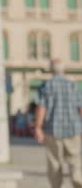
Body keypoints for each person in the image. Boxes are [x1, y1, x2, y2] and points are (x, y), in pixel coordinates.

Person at [34, 58, 82, 188]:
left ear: (51, 69)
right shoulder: (73, 84)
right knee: (75, 161)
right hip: (74, 129)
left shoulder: (46, 86)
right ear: (64, 69)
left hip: (52, 130)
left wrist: (38, 127)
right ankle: (78, 183)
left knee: (54, 163)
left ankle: (56, 186)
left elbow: (41, 108)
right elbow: (80, 107)